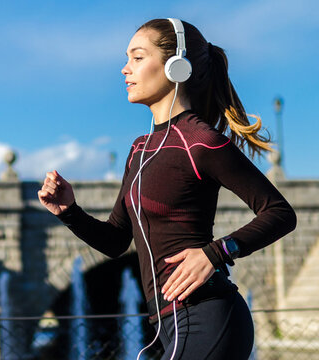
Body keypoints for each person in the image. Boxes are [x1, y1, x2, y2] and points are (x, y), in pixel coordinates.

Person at [37, 18, 297, 360]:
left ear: (176, 67)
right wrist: (69, 212)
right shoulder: (140, 149)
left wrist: (215, 253)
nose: (124, 69)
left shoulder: (200, 142)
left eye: (138, 57)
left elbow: (280, 213)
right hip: (165, 326)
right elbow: (116, 241)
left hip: (208, 317)